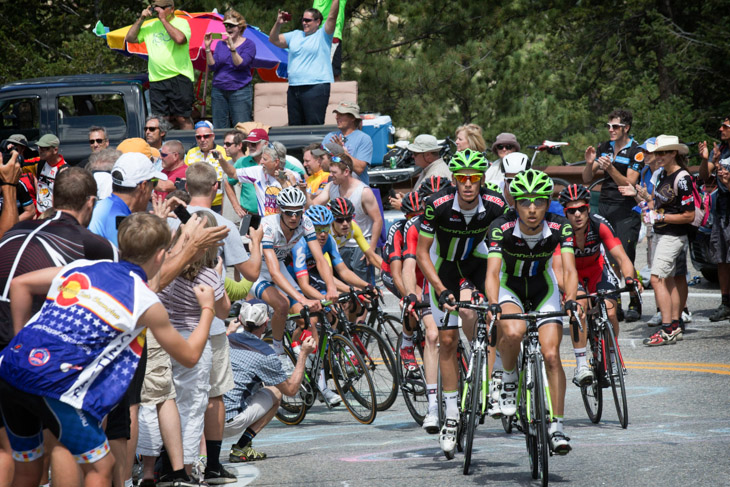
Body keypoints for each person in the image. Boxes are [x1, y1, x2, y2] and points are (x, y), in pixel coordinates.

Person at [0, 213, 216, 487]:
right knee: (101, 467)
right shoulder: (145, 300)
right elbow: (190, 356)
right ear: (161, 256)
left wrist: (21, 343)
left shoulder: (83, 267)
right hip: (55, 385)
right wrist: (207, 308)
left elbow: (20, 284)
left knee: (28, 469)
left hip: (10, 367)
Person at [415, 149, 507, 457]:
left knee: (496, 313)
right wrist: (440, 289)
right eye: (463, 178)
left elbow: (505, 247)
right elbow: (422, 254)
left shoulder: (495, 204)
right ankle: (451, 417)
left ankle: (495, 379)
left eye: (474, 178)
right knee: (447, 341)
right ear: (455, 179)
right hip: (445, 269)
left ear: (482, 180)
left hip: (480, 263)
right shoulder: (436, 206)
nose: (468, 184)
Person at [486, 169, 580, 455]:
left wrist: (572, 298)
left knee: (551, 355)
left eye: (539, 201)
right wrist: (492, 304)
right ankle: (510, 376)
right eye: (525, 201)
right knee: (514, 331)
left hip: (543, 288)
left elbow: (570, 268)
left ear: (546, 203)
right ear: (514, 203)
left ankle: (557, 427)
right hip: (509, 287)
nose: (531, 209)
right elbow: (492, 273)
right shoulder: (500, 227)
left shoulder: (560, 226)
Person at [556, 184, 641, 386]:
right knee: (579, 307)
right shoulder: (559, 230)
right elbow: (558, 269)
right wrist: (571, 292)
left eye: (582, 209)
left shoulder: (599, 224)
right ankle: (581, 364)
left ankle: (612, 356)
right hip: (571, 273)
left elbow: (621, 257)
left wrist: (630, 279)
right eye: (571, 211)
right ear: (565, 213)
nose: (577, 214)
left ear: (588, 208)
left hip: (597, 269)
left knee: (611, 312)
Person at [250, 187, 337, 371]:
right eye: (289, 213)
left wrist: (331, 287)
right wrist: (301, 297)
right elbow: (273, 273)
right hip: (257, 270)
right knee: (281, 305)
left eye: (298, 212)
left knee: (308, 317)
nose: (294, 217)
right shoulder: (268, 227)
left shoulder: (305, 223)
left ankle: (310, 365)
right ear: (280, 210)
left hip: (278, 265)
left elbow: (320, 259)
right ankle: (278, 352)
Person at [224, 301, 317, 462]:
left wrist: (227, 332)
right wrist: (303, 354)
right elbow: (292, 390)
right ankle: (241, 447)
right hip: (229, 422)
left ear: (240, 319)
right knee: (276, 392)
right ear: (266, 323)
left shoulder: (225, 340)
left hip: (206, 418)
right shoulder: (266, 353)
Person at [583, 109, 644, 322]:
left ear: (626, 128)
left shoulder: (637, 151)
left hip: (627, 209)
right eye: (609, 126)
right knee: (609, 258)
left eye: (615, 126)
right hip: (606, 206)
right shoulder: (604, 147)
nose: (611, 130)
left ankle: (635, 300)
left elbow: (630, 182)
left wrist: (609, 169)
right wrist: (590, 163)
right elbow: (587, 177)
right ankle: (615, 302)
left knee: (625, 256)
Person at [641, 135, 695, 346]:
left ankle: (667, 329)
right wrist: (650, 211)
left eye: (663, 152)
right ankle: (674, 324)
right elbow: (656, 200)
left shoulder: (682, 178)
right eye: (657, 152)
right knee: (669, 279)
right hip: (662, 233)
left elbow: (689, 215)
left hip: (673, 235)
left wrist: (661, 217)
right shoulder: (662, 173)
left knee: (657, 279)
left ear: (674, 153)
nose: (659, 156)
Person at [312, 154, 383, 283]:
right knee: (346, 289)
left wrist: (371, 250)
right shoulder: (331, 186)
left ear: (346, 172)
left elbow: (377, 220)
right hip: (339, 245)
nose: (330, 175)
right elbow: (313, 206)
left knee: (365, 287)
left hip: (359, 244)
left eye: (334, 172)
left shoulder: (364, 191)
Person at [125, 0, 194, 130]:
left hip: (178, 77)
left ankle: (189, 147)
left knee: (182, 117)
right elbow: (130, 38)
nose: (158, 11)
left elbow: (180, 39)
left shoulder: (182, 23)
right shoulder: (151, 26)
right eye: (155, 8)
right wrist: (141, 18)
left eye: (161, 8)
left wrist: (163, 20)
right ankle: (162, 148)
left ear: (171, 9)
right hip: (157, 79)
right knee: (160, 120)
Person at [269, 1, 340, 125]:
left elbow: (332, 17)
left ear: (318, 22)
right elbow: (273, 39)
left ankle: (315, 146)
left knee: (313, 126)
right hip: (294, 88)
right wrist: (278, 23)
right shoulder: (295, 35)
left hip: (315, 87)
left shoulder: (323, 35)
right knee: (295, 128)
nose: (304, 23)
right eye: (303, 20)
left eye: (308, 20)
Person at [88, 152, 167, 247]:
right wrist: (160, 226)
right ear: (144, 186)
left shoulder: (104, 207)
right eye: (154, 183)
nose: (153, 189)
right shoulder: (119, 220)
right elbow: (143, 260)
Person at [699, 117, 730, 322]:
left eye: (726, 127)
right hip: (721, 210)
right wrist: (705, 159)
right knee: (721, 257)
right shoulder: (720, 149)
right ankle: (726, 302)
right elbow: (704, 176)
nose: (721, 129)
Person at [205, 9, 257, 128]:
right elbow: (213, 66)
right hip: (219, 90)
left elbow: (241, 65)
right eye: (226, 25)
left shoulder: (249, 45)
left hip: (240, 90)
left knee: (241, 127)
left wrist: (232, 48)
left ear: (240, 27)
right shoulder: (220, 44)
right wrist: (208, 48)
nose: (228, 28)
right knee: (219, 126)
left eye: (232, 26)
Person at [219, 145, 297, 217]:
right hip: (263, 222)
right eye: (261, 158)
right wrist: (221, 160)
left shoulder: (292, 176)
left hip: (284, 223)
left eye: (265, 159)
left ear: (276, 162)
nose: (261, 161)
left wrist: (289, 183)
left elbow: (296, 204)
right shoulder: (258, 171)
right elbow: (233, 174)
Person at [185, 121, 230, 213]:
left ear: (213, 136)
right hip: (196, 202)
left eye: (206, 136)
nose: (202, 139)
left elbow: (230, 177)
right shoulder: (191, 152)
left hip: (218, 203)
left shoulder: (223, 152)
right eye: (198, 137)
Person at [323, 102, 373, 184]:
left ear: (353, 117)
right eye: (337, 114)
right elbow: (323, 168)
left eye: (341, 114)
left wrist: (342, 153)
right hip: (333, 189)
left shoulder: (364, 138)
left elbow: (359, 169)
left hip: (356, 190)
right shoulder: (329, 137)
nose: (337, 117)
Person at [22, 134, 67, 214]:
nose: (40, 150)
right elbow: (21, 164)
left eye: (45, 148)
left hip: (53, 216)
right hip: (39, 214)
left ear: (55, 150)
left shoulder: (64, 170)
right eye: (39, 147)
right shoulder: (39, 163)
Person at [221, 129, 258, 218]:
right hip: (228, 217)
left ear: (239, 145)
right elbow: (224, 193)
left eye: (228, 144)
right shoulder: (226, 165)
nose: (224, 146)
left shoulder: (249, 164)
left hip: (243, 216)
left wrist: (238, 207)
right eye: (224, 143)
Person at [312, 0, 347, 80]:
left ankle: (335, 92)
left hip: (331, 36)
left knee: (333, 73)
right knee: (315, 73)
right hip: (315, 37)